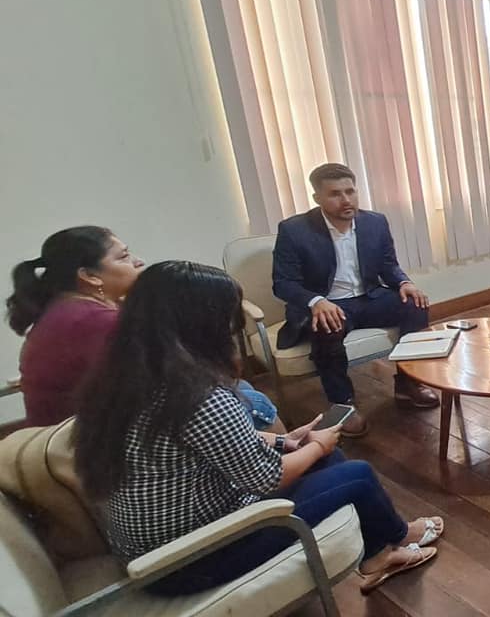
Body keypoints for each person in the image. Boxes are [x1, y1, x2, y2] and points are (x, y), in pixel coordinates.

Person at [73, 261, 444, 595]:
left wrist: (286, 440)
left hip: (154, 547)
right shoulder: (199, 395)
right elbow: (265, 480)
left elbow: (205, 444)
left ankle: (380, 553)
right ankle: (398, 537)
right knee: (356, 474)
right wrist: (318, 444)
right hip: (190, 557)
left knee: (328, 461)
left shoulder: (127, 377)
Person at [7, 226, 283, 431]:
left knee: (237, 392)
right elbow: (168, 382)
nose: (138, 261)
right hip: (88, 444)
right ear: (89, 276)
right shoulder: (91, 321)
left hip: (92, 427)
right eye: (124, 257)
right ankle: (277, 475)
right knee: (246, 401)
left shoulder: (69, 308)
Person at [273, 163, 438, 436]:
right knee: (328, 325)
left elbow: (388, 265)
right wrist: (315, 301)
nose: (346, 200)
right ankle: (343, 404)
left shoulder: (375, 222)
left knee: (415, 305)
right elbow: (283, 283)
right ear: (317, 198)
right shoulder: (294, 230)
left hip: (369, 297)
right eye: (335, 194)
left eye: (350, 191)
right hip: (329, 304)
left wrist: (405, 282)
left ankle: (408, 383)